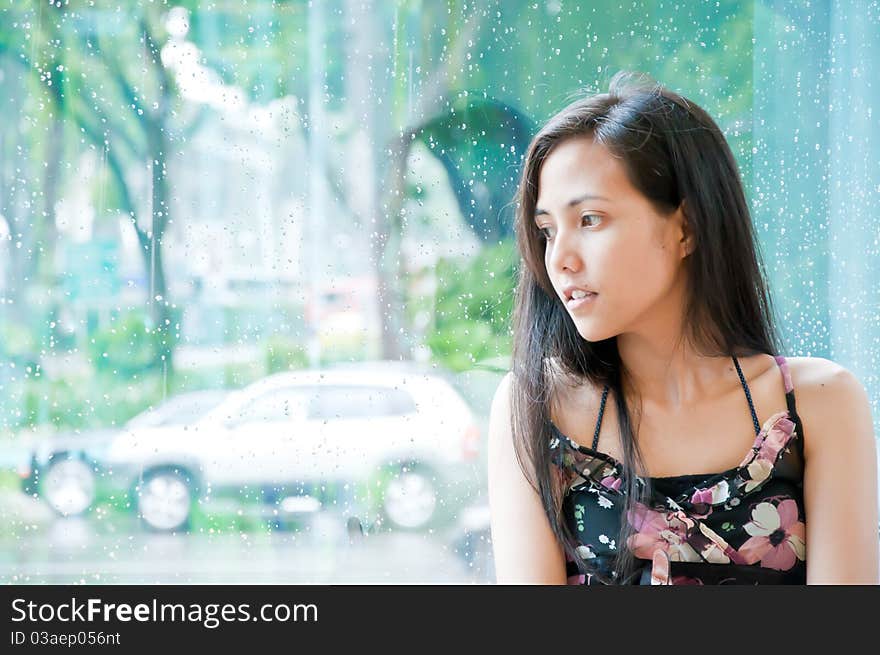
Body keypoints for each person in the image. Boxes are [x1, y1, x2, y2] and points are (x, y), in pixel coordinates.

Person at [487, 71, 879, 585]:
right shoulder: (537, 408)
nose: (558, 259)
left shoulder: (818, 403)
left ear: (686, 228)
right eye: (546, 230)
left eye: (589, 220)